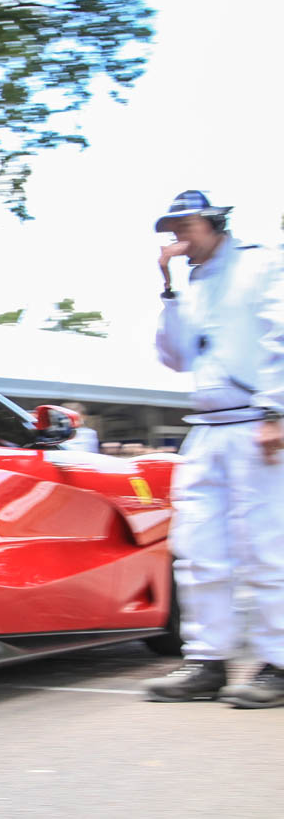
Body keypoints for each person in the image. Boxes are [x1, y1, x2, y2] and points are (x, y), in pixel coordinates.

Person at [141, 190, 284, 708]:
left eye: (186, 225)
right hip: (207, 427)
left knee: (267, 548)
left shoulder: (261, 264)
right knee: (198, 549)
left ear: (215, 222)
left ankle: (279, 663)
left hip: (257, 422)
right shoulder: (194, 282)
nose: (177, 236)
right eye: (171, 228)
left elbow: (280, 334)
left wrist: (275, 410)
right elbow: (176, 358)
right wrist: (168, 290)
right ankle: (206, 660)